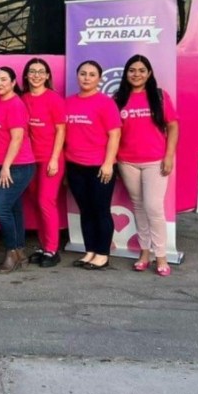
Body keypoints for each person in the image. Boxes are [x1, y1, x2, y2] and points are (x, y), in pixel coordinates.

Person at [114, 54, 179, 277]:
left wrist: (169, 156)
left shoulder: (159, 97)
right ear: (126, 74)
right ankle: (144, 253)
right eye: (132, 70)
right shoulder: (118, 99)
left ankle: (160, 255)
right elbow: (113, 133)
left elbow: (172, 126)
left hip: (155, 161)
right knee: (139, 207)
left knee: (154, 207)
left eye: (142, 70)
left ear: (149, 73)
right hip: (127, 161)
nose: (137, 74)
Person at [65, 60, 122, 270]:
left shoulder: (106, 103)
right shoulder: (68, 102)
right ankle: (89, 251)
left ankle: (102, 254)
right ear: (77, 76)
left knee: (100, 210)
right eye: (82, 74)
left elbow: (115, 134)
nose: (86, 78)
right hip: (75, 165)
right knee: (85, 210)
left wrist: (108, 164)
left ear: (99, 79)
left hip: (99, 167)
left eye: (91, 74)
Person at [0, 67, 36, 274]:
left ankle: (11, 253)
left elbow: (17, 139)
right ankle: (20, 251)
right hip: (2, 165)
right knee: (14, 209)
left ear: (14, 82)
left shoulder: (15, 105)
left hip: (18, 166)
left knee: (2, 208)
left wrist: (6, 166)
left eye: (4, 79)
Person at [21, 58, 66, 268]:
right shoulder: (23, 98)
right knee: (36, 203)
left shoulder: (53, 99)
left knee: (46, 202)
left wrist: (55, 158)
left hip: (50, 159)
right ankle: (42, 244)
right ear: (26, 75)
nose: (36, 75)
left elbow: (61, 130)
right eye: (32, 71)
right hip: (30, 160)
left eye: (41, 72)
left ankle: (52, 249)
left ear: (48, 76)